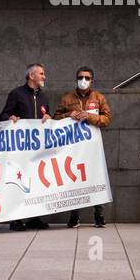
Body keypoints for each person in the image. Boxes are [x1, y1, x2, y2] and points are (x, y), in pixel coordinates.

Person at [53, 66, 112, 229]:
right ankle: (74, 216)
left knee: (96, 178)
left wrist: (90, 116)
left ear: (92, 80)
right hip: (73, 148)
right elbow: (55, 119)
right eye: (80, 77)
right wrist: (67, 115)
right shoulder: (67, 99)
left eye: (86, 78)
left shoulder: (99, 98)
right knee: (74, 179)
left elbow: (107, 119)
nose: (83, 80)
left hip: (93, 147)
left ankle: (99, 215)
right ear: (76, 79)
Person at [0, 63, 53, 232]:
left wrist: (48, 117)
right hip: (20, 149)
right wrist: (11, 117)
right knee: (17, 182)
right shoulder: (17, 94)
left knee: (36, 182)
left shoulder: (43, 97)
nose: (44, 77)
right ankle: (15, 219)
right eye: (42, 74)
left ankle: (34, 217)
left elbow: (47, 116)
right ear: (32, 76)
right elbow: (3, 114)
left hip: (38, 148)